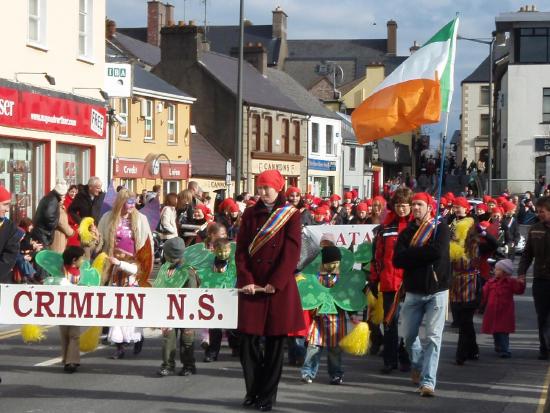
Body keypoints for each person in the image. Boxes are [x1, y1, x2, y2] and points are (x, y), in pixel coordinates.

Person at [235, 169, 304, 411]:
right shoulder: (250, 214)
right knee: (247, 341)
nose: (263, 192)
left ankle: (267, 396)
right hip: (253, 286)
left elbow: (291, 251)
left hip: (278, 287)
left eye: (267, 188)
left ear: (278, 188)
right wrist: (247, 279)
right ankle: (253, 391)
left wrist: (276, 281)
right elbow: (241, 250)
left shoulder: (291, 215)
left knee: (275, 345)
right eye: (260, 187)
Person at [393, 192, 450, 397]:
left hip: (437, 290)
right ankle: (417, 364)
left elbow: (438, 252)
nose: (415, 208)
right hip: (414, 291)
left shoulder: (439, 228)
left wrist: (412, 256)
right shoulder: (406, 233)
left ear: (428, 207)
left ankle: (428, 382)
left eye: (419, 204)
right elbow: (397, 260)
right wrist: (421, 254)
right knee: (407, 337)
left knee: (434, 338)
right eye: (413, 204)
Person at [97, 189, 153, 358]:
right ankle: (119, 346)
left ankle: (137, 336)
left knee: (133, 306)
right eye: (128, 202)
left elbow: (147, 245)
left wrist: (144, 269)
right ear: (120, 202)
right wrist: (93, 238)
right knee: (116, 306)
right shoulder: (108, 218)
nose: (132, 206)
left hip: (133, 267)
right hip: (114, 267)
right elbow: (100, 242)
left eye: (134, 202)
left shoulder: (141, 219)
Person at [370, 187, 413, 374]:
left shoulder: (417, 227)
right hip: (389, 282)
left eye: (404, 206)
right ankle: (390, 360)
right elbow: (377, 256)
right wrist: (374, 278)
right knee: (389, 323)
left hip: (410, 283)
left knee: (408, 324)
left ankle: (407, 357)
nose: (401, 209)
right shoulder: (385, 228)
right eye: (398, 205)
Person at [301, 246, 355, 385]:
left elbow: (346, 299)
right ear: (324, 263)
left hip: (337, 320)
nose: (334, 265)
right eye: (331, 262)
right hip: (318, 319)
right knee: (313, 347)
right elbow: (311, 295)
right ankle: (308, 372)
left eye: (337, 262)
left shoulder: (342, 279)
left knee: (335, 350)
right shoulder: (316, 277)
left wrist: (352, 314)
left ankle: (335, 374)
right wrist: (312, 309)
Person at [155, 237, 200, 376]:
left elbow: (193, 292)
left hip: (186, 311)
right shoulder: (165, 267)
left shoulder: (189, 271)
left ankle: (189, 365)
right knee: (168, 337)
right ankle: (168, 365)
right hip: (168, 310)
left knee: (187, 339)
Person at [518, 196, 550, 360]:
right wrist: (521, 272)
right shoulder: (535, 228)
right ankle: (544, 348)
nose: (539, 214)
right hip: (541, 279)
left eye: (542, 212)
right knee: (542, 316)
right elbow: (527, 254)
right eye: (538, 211)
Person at [481, 259, 526, 358]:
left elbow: (519, 290)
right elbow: (484, 294)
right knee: (495, 331)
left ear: (504, 272)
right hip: (492, 311)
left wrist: (522, 283)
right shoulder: (491, 282)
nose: (495, 271)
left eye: (497, 270)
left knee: (503, 332)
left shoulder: (510, 282)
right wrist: (479, 304)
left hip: (505, 312)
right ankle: (498, 347)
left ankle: (505, 350)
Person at [59, 245, 87, 373]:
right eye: (81, 258)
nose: (83, 261)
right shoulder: (61, 270)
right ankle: (67, 360)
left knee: (74, 334)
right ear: (74, 260)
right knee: (65, 334)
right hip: (62, 306)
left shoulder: (82, 272)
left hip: (76, 306)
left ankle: (72, 361)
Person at [32, 180, 68, 248]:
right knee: (43, 254)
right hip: (43, 233)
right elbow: (49, 216)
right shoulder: (53, 200)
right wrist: (53, 225)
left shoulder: (50, 197)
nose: (64, 198)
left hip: (41, 231)